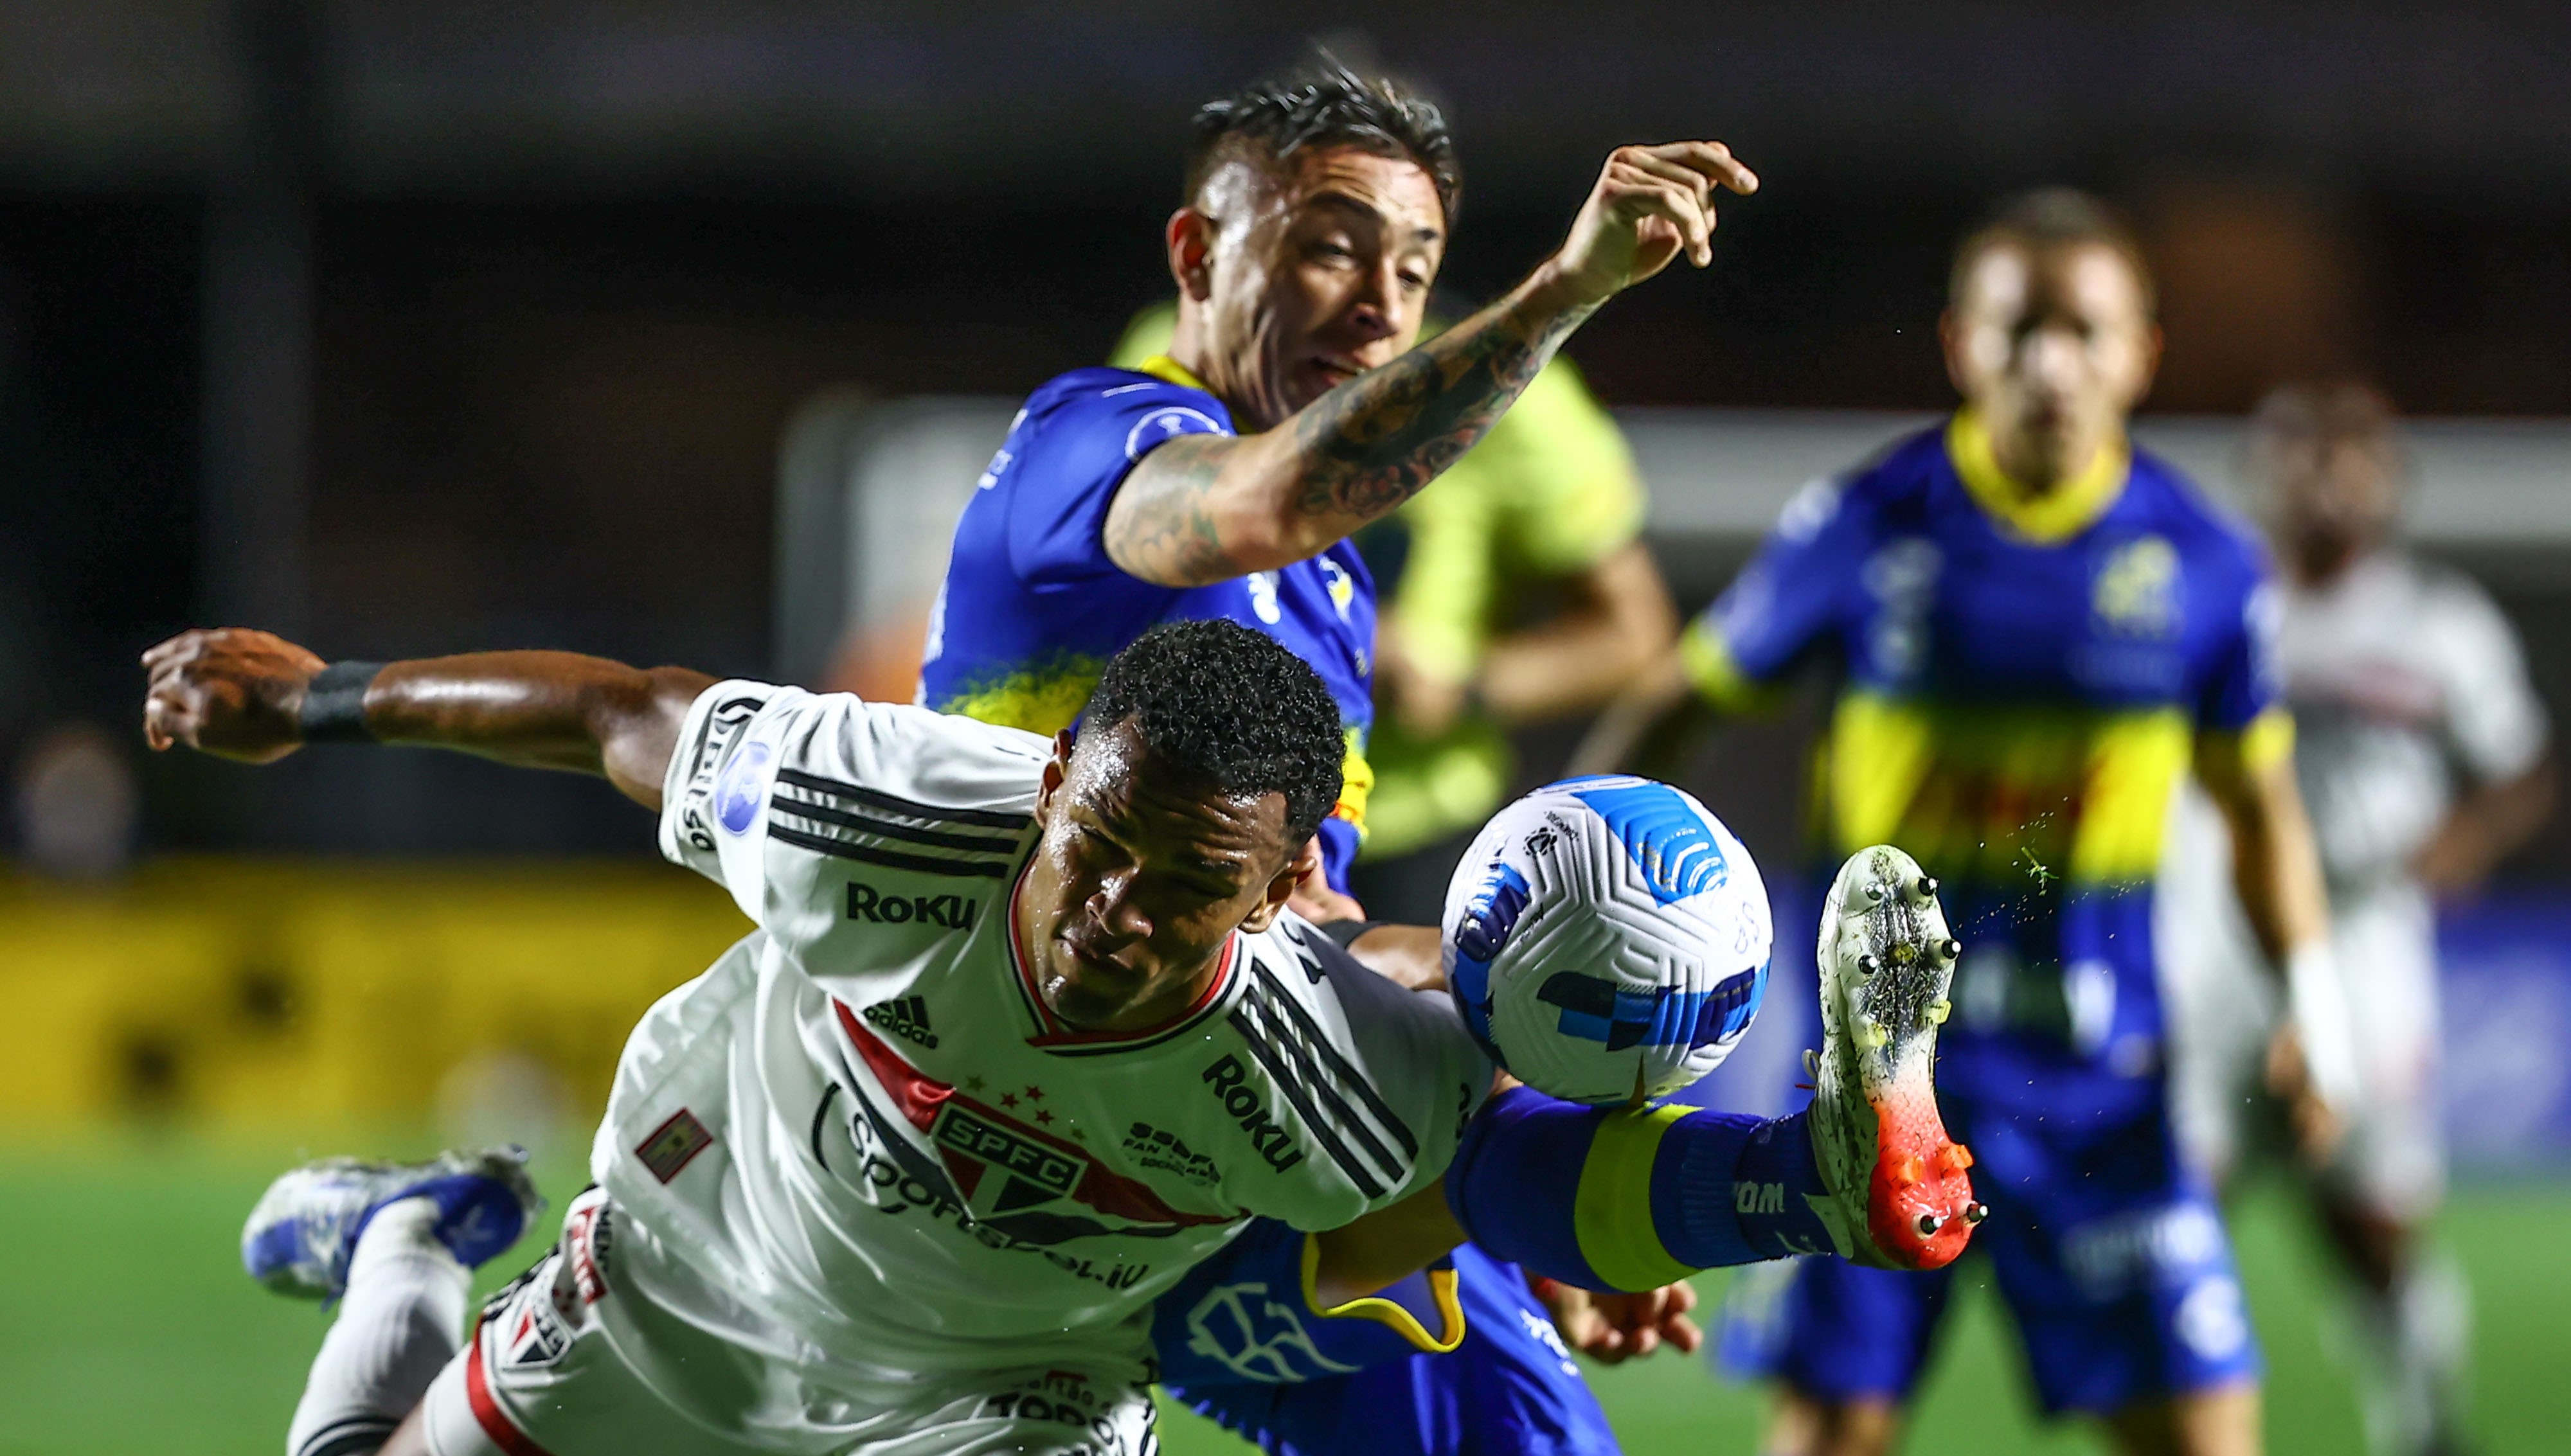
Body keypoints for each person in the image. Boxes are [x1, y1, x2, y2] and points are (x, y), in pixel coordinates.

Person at [145, 618, 1979, 1456]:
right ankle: (400, 1236)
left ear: (1272, 904)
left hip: (994, 1403)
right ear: (1051, 785)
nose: (1108, 910)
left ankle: (1826, 1168)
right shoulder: (879, 810)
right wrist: (318, 700)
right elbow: (622, 716)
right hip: (701, 1262)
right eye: (1092, 844)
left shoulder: (1326, 1062)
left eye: (1183, 889)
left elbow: (1524, 1177)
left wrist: (1793, 1195)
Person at [918, 63, 1730, 1453]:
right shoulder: (1097, 442)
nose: (1381, 302)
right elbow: (1265, 497)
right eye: (1330, 248)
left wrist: (1529, 1170)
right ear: (1197, 251)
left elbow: (1315, 936)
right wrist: (1567, 288)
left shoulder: (1331, 601)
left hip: (1187, 1140)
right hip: (966, 1144)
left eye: (1415, 265)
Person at [1578, 190, 2361, 1456]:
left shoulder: (2202, 564)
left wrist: (2312, 1014)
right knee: (1832, 1430)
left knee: (2208, 1434)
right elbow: (1676, 701)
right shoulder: (1867, 527)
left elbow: (2257, 803)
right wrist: (1593, 875)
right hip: (1876, 1087)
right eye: (2016, 330)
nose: (2047, 363)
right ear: (1958, 344)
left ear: (2138, 355)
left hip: (2099, 1098)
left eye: (2081, 331)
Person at [2158, 383, 2556, 1456]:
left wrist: (2460, 842)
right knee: (2176, 1204)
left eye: (2350, 459)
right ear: (2265, 473)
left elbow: (2519, 767)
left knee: (2371, 1220)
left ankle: (2425, 1422)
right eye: (2304, 458)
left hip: (2366, 948)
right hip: (2217, 952)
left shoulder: (2438, 622)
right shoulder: (2208, 598)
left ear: (2387, 479)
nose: (2327, 484)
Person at [1105, 299, 1680, 925]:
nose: (1367, 280)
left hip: (1413, 831)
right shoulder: (1176, 349)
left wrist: (1459, 688)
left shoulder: (1519, 396)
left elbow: (1634, 631)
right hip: (1192, 807)